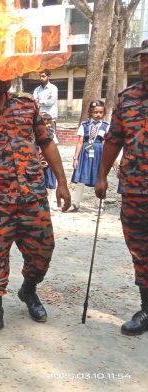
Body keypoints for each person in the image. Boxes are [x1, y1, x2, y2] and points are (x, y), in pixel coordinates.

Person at [0, 57, 71, 341]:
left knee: (43, 251)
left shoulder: (26, 105)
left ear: (1, 81)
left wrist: (61, 182)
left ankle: (28, 289)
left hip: (32, 196)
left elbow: (46, 142)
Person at [95, 39, 148, 336]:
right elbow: (114, 139)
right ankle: (147, 309)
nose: (145, 65)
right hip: (136, 190)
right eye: (143, 59)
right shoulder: (127, 99)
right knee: (140, 250)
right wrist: (102, 176)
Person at [69, 100, 110, 212]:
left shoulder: (106, 126)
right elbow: (80, 142)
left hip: (99, 154)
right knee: (81, 177)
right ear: (91, 112)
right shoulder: (84, 125)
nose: (98, 114)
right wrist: (76, 158)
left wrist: (112, 159)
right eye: (96, 112)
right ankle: (76, 203)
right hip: (85, 153)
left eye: (101, 112)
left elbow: (107, 143)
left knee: (100, 177)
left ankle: (99, 204)